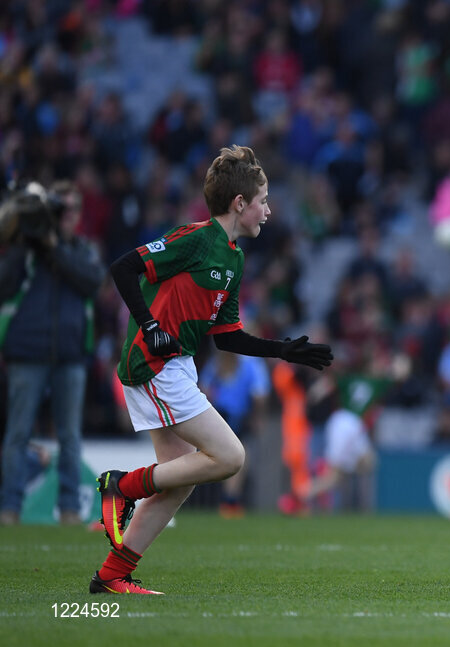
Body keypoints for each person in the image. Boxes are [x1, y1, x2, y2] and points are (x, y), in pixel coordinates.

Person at [89, 145, 332, 594]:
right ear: (240, 203)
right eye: (264, 201)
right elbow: (123, 269)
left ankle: (112, 575)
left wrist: (284, 350)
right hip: (154, 363)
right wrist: (149, 324)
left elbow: (227, 336)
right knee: (230, 457)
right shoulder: (196, 239)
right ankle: (121, 486)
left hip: (178, 365)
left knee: (179, 481)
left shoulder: (234, 258)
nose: (269, 211)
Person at [0, 181, 104, 526]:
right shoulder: (27, 250)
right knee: (17, 433)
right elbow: (5, 285)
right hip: (27, 352)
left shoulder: (84, 250)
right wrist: (26, 241)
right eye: (60, 210)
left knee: (70, 437)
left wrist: (53, 247)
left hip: (70, 355)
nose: (67, 216)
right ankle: (9, 509)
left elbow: (92, 281)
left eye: (73, 209)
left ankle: (71, 511)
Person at [198, 351, 270, 518]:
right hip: (236, 417)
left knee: (228, 457)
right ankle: (230, 499)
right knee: (239, 457)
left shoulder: (216, 361)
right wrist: (258, 417)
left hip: (219, 416)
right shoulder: (252, 364)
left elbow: (204, 389)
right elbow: (260, 394)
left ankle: (227, 498)